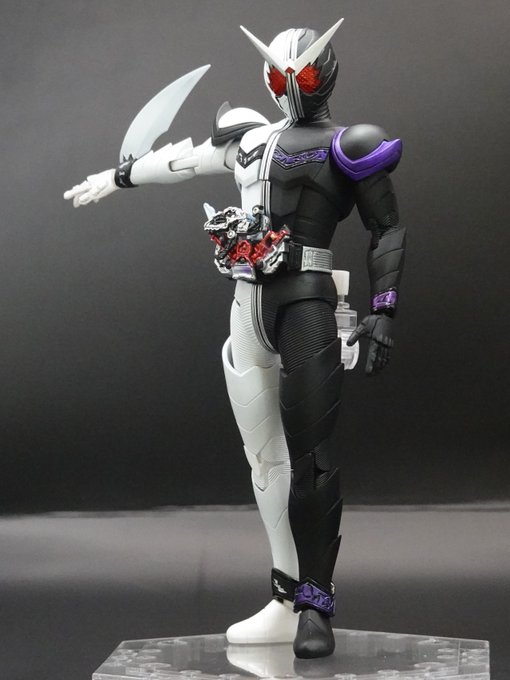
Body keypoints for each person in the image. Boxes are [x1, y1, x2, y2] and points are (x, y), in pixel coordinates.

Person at [64, 20, 406, 658]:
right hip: (247, 305)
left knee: (310, 457)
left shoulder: (347, 145)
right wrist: (120, 175)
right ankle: (284, 596)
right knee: (265, 459)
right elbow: (185, 160)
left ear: (325, 75)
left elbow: (387, 228)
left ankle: (315, 605)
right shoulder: (247, 139)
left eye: (302, 74)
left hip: (306, 303)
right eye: (279, 75)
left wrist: (383, 308)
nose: (290, 87)